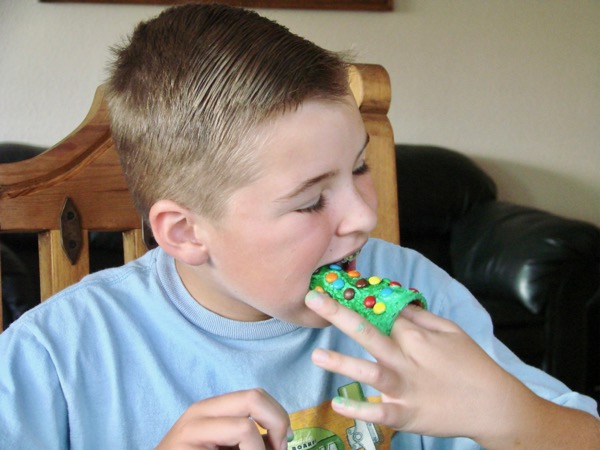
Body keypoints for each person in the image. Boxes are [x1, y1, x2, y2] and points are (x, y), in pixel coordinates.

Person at [0, 3, 598, 449]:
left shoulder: (416, 294)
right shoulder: (53, 356)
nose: (364, 216)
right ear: (184, 233)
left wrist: (509, 414)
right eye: (311, 202)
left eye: (360, 166)